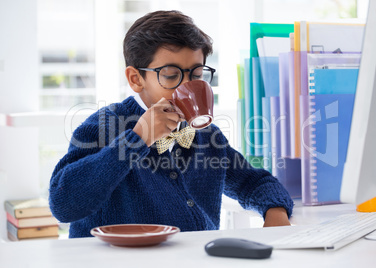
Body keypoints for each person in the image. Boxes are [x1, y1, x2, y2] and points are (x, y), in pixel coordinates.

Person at [49, 10, 294, 238]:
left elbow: (254, 182)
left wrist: (275, 212)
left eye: (196, 75)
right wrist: (138, 138)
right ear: (136, 79)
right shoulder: (105, 126)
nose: (187, 85)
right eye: (171, 75)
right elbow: (64, 205)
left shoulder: (206, 136)